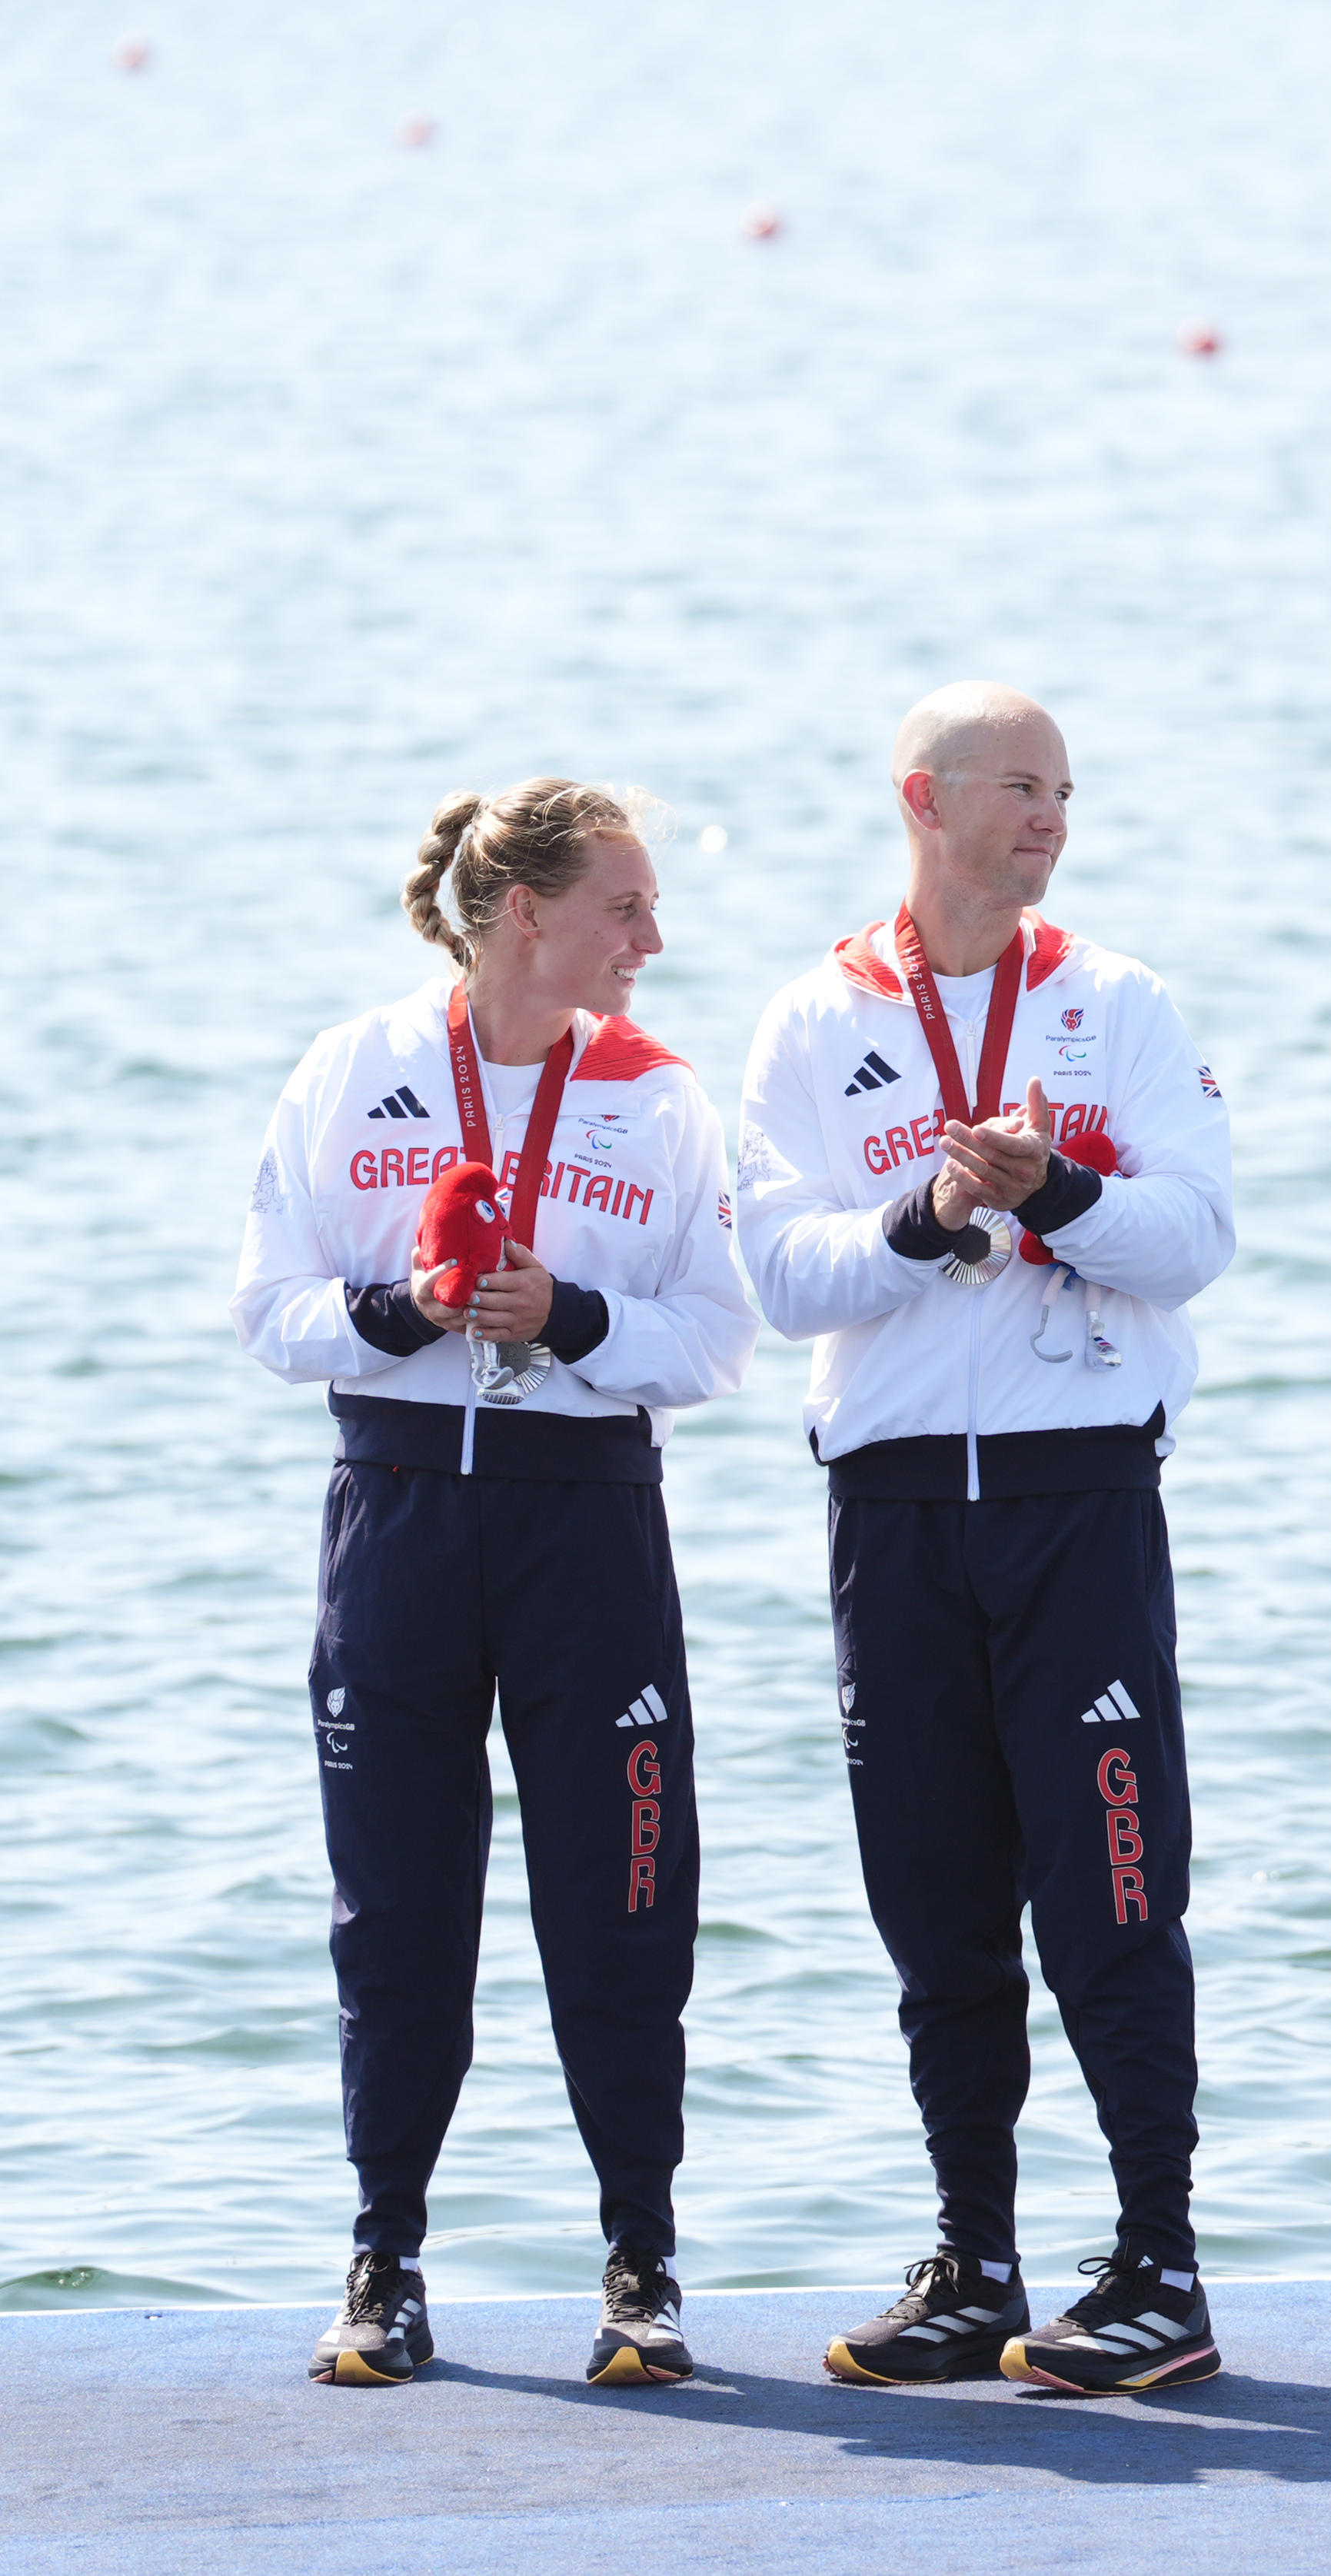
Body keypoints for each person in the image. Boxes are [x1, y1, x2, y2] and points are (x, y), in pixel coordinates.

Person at [735, 683, 1238, 2394]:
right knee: (936, 1907)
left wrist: (1055, 1197)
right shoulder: (815, 1018)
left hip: (1074, 1497)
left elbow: (1196, 1233)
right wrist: (934, 1212)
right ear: (922, 798)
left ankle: (1159, 2260)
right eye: (1019, 787)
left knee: (1110, 1895)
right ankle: (977, 2256)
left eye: (1066, 791)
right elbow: (780, 1271)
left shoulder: (1118, 1003)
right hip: (889, 1516)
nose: (1050, 818)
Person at [232, 779, 755, 2388]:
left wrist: (572, 1319)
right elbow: (271, 1305)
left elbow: (720, 1338)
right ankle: (385, 2259)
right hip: (395, 1519)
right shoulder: (355, 1067)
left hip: (585, 1529)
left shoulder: (654, 1096)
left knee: (621, 1903)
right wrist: (403, 1308)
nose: (652, 939)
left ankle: (642, 2267)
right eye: (625, 908)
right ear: (526, 912)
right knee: (397, 1909)